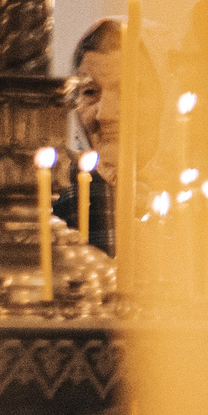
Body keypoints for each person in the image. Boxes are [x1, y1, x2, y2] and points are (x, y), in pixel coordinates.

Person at [63, 18, 123, 251]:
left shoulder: (197, 192)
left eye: (126, 90)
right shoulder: (63, 191)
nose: (103, 114)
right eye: (89, 92)